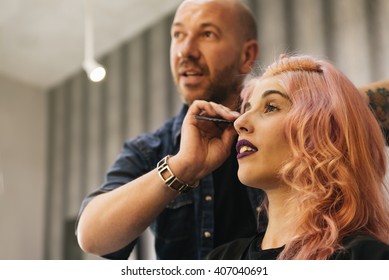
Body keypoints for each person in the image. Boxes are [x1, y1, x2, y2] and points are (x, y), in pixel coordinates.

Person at [76, 0, 389, 260]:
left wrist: (324, 106)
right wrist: (183, 167)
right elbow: (92, 236)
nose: (186, 50)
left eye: (207, 34)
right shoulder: (149, 150)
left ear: (247, 55)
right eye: (178, 35)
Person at [199, 54, 389, 259]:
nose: (239, 122)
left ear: (320, 132)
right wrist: (180, 168)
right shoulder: (221, 260)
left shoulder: (365, 258)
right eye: (246, 109)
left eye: (271, 107)